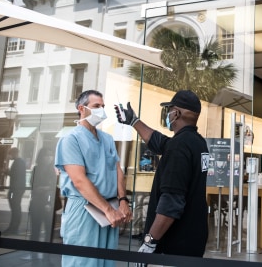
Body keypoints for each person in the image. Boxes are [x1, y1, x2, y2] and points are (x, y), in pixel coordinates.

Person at [115, 90, 210, 259]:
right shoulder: (198, 142)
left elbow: (171, 204)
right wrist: (133, 121)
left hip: (174, 245)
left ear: (176, 113)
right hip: (193, 239)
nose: (167, 114)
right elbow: (159, 142)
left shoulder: (179, 146)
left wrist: (149, 242)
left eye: (169, 109)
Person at [55, 90, 132, 267]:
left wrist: (122, 200)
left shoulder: (107, 139)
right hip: (83, 208)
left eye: (103, 106)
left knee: (106, 262)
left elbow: (117, 170)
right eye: (96, 106)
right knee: (82, 262)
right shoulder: (70, 140)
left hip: (109, 207)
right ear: (81, 108)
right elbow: (79, 181)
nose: (101, 111)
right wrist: (108, 210)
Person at [29, 147, 58, 242]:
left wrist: (45, 188)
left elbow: (55, 185)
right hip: (37, 201)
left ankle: (46, 253)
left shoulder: (53, 169)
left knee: (48, 229)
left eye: (50, 155)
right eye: (46, 155)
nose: (49, 157)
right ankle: (33, 252)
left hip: (48, 202)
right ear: (41, 156)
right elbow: (32, 183)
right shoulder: (36, 168)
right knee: (35, 228)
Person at [4, 147, 26, 234]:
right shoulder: (19, 162)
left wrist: (7, 171)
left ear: (14, 153)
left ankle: (14, 228)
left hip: (16, 188)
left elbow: (15, 175)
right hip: (17, 188)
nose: (9, 156)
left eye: (10, 154)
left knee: (15, 208)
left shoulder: (18, 162)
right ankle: (13, 227)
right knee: (15, 208)